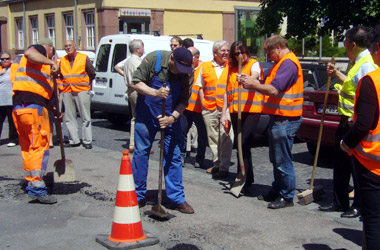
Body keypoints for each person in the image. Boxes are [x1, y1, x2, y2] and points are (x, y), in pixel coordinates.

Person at [319, 26, 377, 218]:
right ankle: (340, 200)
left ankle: (358, 204)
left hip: (354, 122)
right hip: (346, 119)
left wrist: (354, 120)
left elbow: (366, 96)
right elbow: (352, 86)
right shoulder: (358, 62)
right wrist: (336, 73)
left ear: (352, 43)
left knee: (355, 164)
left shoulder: (367, 64)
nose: (344, 46)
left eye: (345, 42)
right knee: (341, 163)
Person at [240, 35, 303, 209]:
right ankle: (278, 189)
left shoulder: (288, 64)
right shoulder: (281, 63)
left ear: (278, 48)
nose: (268, 56)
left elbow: (274, 89)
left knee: (282, 159)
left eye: (269, 52)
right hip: (280, 117)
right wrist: (253, 81)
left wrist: (253, 85)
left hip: (286, 119)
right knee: (276, 158)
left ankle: (286, 195)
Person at [130, 47, 194, 214]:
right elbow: (135, 82)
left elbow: (183, 101)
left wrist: (172, 118)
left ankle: (177, 197)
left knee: (173, 156)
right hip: (146, 114)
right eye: (178, 68)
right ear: (171, 58)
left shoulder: (187, 72)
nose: (181, 72)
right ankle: (137, 195)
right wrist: (155, 92)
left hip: (170, 116)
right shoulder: (154, 59)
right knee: (141, 153)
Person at [340, 24, 380, 249]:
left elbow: (363, 123)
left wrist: (346, 143)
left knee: (373, 221)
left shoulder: (372, 80)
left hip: (373, 165)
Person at [12, 38, 59, 204]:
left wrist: (54, 110)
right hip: (32, 108)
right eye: (53, 53)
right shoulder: (39, 51)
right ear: (50, 48)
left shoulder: (36, 67)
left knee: (28, 148)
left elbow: (43, 93)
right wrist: (49, 60)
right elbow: (29, 52)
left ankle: (32, 182)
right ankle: (38, 188)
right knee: (39, 146)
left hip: (20, 107)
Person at [221, 41, 263, 192]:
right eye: (237, 53)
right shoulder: (231, 69)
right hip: (235, 111)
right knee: (238, 144)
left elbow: (256, 76)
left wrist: (248, 79)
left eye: (242, 52)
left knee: (244, 141)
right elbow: (227, 91)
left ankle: (246, 178)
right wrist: (223, 114)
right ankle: (243, 176)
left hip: (251, 110)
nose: (240, 56)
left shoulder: (253, 63)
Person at [195, 40, 234, 178]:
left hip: (227, 108)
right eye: (223, 51)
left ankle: (224, 167)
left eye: (227, 50)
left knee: (227, 136)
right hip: (209, 108)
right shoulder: (205, 66)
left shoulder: (232, 66)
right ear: (215, 53)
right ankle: (217, 164)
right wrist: (203, 102)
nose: (226, 53)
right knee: (213, 138)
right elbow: (200, 86)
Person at [59, 40, 96, 149]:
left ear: (75, 46)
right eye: (66, 46)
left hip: (82, 90)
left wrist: (87, 86)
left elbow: (92, 73)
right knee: (69, 117)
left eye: (70, 45)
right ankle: (74, 140)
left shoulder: (83, 58)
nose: (68, 47)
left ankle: (87, 140)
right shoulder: (62, 60)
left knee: (85, 116)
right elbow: (61, 75)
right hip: (67, 90)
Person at [181, 46, 207, 168]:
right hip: (186, 107)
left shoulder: (204, 68)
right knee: (181, 131)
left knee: (202, 134)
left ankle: (200, 158)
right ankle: (180, 156)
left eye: (189, 55)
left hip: (199, 108)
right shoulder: (184, 67)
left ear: (197, 57)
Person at [122, 39, 145, 153]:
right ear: (138, 49)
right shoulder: (137, 62)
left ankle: (133, 143)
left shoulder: (128, 61)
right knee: (141, 118)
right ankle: (139, 144)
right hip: (137, 91)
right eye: (142, 47)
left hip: (130, 91)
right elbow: (141, 78)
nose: (143, 49)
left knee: (134, 118)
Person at [0, 51, 18, 147]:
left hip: (11, 99)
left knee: (12, 121)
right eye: (3, 59)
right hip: (0, 100)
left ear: (10, 59)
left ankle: (13, 139)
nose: (5, 60)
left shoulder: (14, 67)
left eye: (7, 58)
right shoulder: (0, 69)